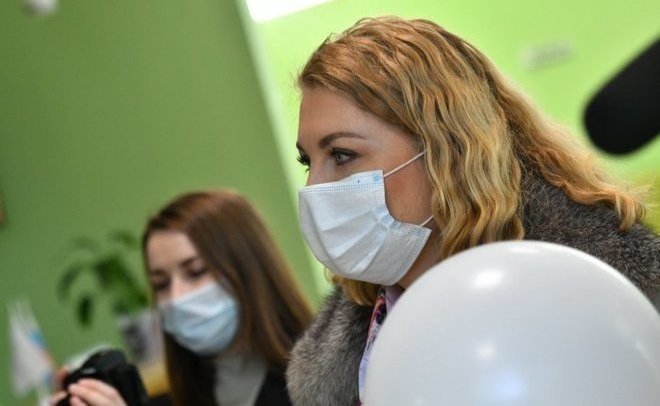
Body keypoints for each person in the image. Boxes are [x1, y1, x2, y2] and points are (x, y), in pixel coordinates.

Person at [286, 16, 660, 405]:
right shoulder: (357, 339)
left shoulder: (595, 300)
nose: (315, 186)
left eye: (342, 155)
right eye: (307, 161)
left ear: (445, 150)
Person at [53, 190, 313, 406]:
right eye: (161, 284)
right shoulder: (180, 396)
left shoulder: (321, 382)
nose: (176, 298)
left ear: (249, 270)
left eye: (196, 272)